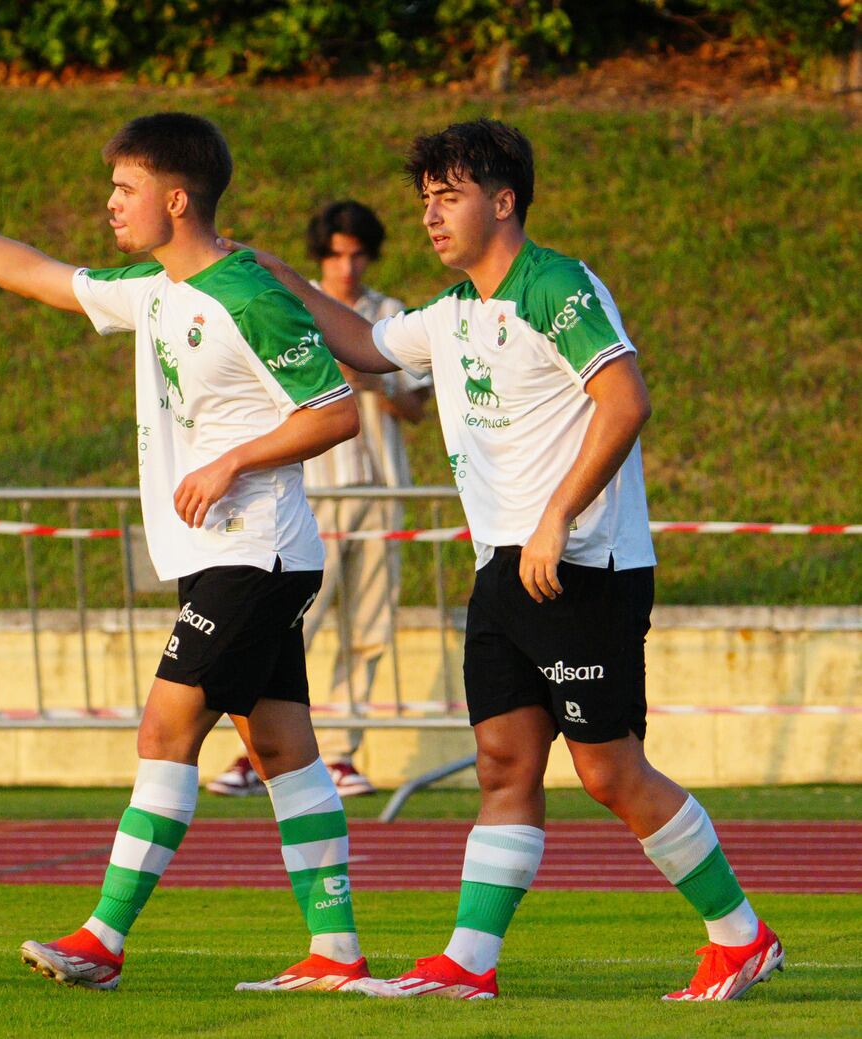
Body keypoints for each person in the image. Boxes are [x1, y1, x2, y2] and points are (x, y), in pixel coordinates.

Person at [239, 117, 782, 1001]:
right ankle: (469, 960)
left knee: (608, 770)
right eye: (424, 201)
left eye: (447, 197)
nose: (430, 216)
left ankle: (741, 936)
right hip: (504, 567)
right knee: (503, 763)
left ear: (502, 200)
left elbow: (624, 400)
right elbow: (369, 347)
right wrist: (273, 273)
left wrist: (556, 517)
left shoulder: (555, 285)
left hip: (581, 562)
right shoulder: (452, 314)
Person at [0, 112, 373, 994]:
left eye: (125, 188)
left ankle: (102, 938)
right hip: (227, 556)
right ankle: (336, 950)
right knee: (283, 747)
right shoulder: (155, 292)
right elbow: (36, 274)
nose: (110, 203)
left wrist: (232, 460)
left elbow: (336, 409)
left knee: (165, 729)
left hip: (254, 554)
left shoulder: (248, 293)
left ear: (176, 199)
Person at [206, 201, 429, 799]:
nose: (347, 265)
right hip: (309, 489)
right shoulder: (287, 306)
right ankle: (254, 751)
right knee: (287, 622)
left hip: (380, 490)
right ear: (320, 255)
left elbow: (416, 407)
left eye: (357, 253)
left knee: (370, 622)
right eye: (335, 253)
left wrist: (373, 380)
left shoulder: (389, 317)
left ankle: (341, 753)